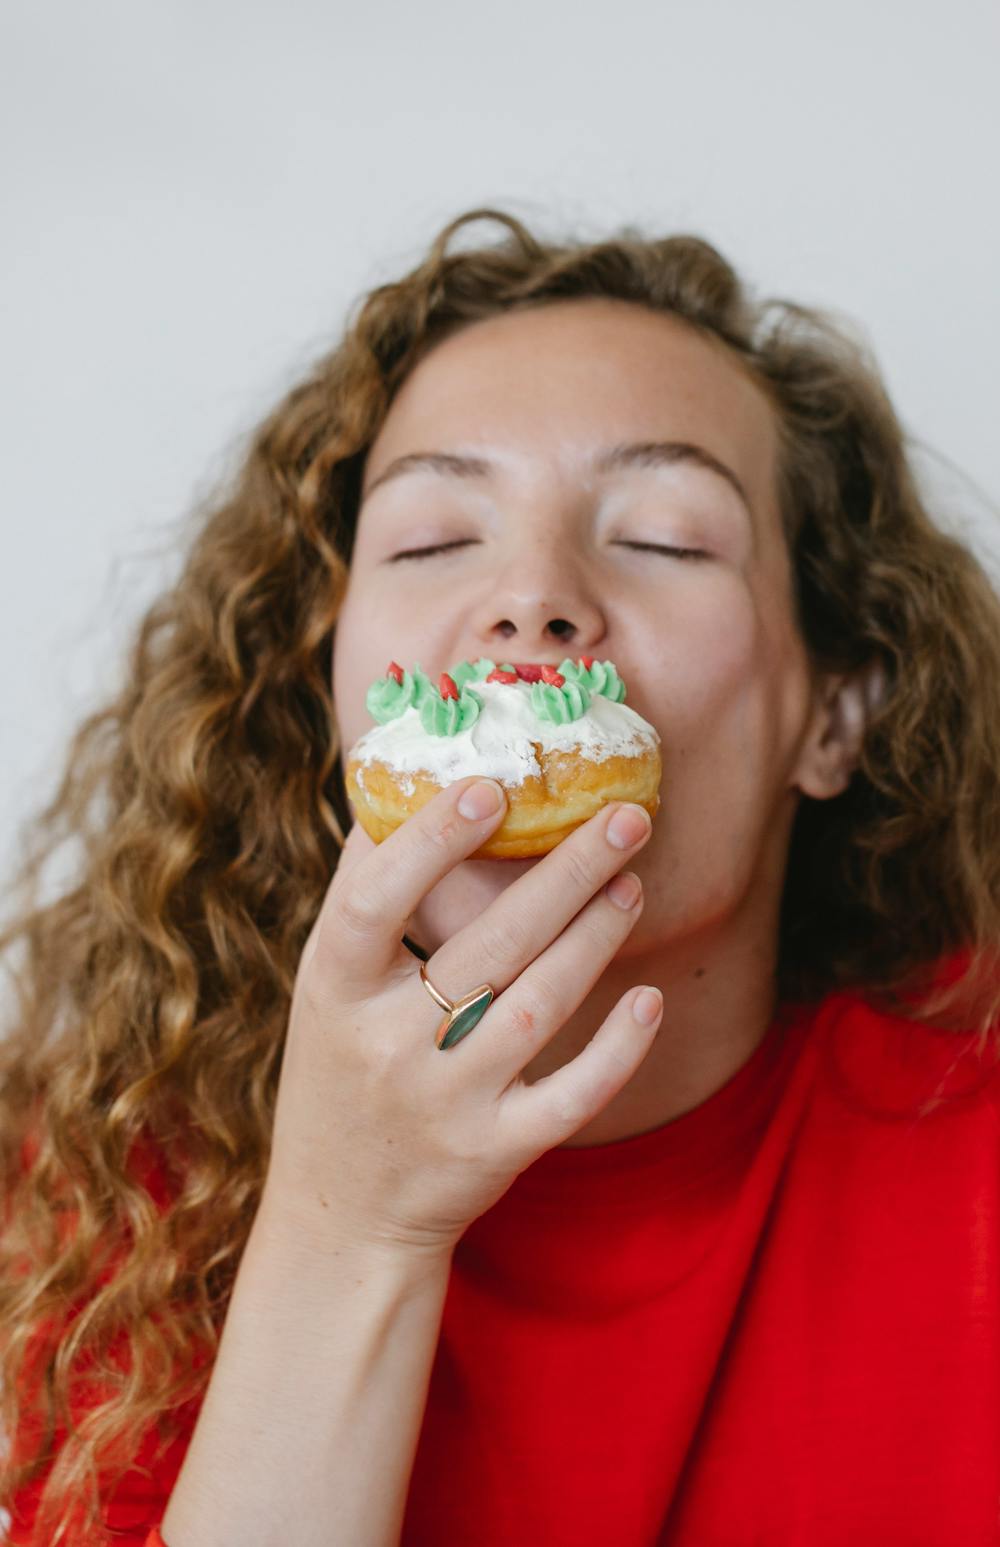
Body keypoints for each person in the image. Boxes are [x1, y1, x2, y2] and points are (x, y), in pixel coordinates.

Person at [1, 206, 999, 1547]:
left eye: (663, 538)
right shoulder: (92, 1201)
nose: (532, 598)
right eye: (430, 542)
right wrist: (346, 1234)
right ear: (328, 698)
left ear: (831, 718)